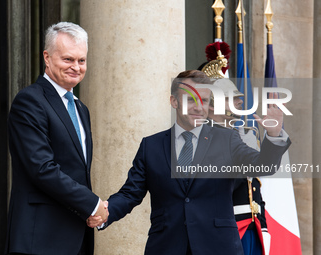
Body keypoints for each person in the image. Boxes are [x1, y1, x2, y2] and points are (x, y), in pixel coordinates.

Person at [88, 70, 291, 254]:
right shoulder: (151, 146)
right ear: (174, 101)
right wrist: (106, 211)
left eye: (203, 100)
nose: (197, 107)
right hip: (166, 247)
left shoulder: (227, 139)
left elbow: (262, 166)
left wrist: (273, 136)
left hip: (218, 247)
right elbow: (130, 193)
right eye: (190, 100)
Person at [5, 22, 108, 255]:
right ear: (47, 57)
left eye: (81, 61)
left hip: (76, 237)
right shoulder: (29, 101)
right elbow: (42, 168)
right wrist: (93, 204)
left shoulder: (81, 109)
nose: (76, 67)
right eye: (68, 59)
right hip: (40, 239)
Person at [206, 78, 269, 255]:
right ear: (211, 105)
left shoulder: (246, 134)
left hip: (253, 226)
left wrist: (262, 226)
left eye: (238, 97)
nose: (240, 102)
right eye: (231, 98)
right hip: (225, 229)